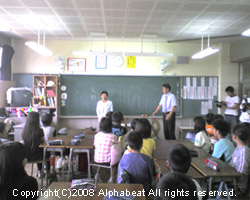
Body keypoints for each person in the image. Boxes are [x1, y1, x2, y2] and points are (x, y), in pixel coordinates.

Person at [22, 112, 49, 178]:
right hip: (39, 155)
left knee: (36, 150)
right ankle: (48, 172)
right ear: (37, 120)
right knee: (47, 152)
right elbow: (44, 142)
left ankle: (40, 171)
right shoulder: (39, 130)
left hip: (28, 156)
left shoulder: (24, 131)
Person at [94, 117, 118, 182]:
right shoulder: (113, 136)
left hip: (97, 159)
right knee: (116, 160)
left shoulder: (97, 135)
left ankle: (97, 174)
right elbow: (116, 145)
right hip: (108, 161)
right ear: (110, 126)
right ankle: (112, 177)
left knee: (102, 155)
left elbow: (95, 144)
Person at [230, 124, 250, 191]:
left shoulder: (244, 150)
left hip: (237, 186)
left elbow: (241, 171)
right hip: (232, 180)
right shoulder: (237, 148)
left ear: (234, 137)